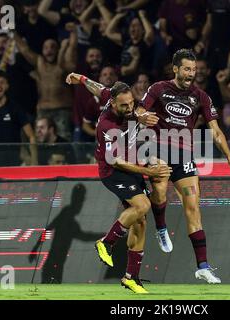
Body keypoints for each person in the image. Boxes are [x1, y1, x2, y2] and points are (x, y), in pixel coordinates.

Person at [136, 49, 230, 284]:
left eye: (193, 70)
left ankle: (203, 266)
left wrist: (229, 156)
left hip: (183, 155)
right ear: (175, 69)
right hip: (157, 150)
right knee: (160, 191)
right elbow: (140, 109)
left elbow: (215, 130)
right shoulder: (158, 89)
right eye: (186, 69)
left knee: (193, 208)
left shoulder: (200, 96)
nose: (191, 74)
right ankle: (161, 227)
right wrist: (142, 116)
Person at [66, 73, 170, 294]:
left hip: (131, 166)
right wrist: (147, 170)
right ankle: (106, 242)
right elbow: (117, 162)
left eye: (132, 102)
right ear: (112, 104)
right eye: (125, 105)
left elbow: (97, 87)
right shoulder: (107, 125)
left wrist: (81, 78)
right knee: (143, 206)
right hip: (114, 171)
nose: (130, 107)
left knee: (140, 221)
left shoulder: (114, 98)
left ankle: (131, 277)